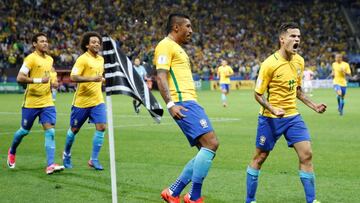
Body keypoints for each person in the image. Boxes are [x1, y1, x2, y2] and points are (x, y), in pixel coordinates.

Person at [245, 22, 326, 203]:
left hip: (292, 117)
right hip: (270, 118)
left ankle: (311, 200)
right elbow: (257, 95)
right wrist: (273, 108)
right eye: (293, 36)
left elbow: (297, 90)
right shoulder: (269, 64)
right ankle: (250, 200)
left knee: (307, 154)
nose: (297, 39)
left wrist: (313, 105)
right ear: (282, 39)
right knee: (260, 157)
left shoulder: (299, 61)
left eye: (298, 36)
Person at [155, 13, 219, 203]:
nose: (191, 31)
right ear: (176, 27)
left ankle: (173, 192)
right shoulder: (165, 45)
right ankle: (193, 196)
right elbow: (160, 76)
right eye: (188, 27)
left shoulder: (177, 48)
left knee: (205, 150)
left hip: (189, 101)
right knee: (211, 143)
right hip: (182, 103)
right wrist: (170, 104)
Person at [7, 32, 64, 175]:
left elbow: (50, 74)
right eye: (42, 41)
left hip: (47, 102)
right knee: (24, 131)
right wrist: (38, 81)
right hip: (31, 103)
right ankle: (12, 151)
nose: (45, 43)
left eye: (46, 41)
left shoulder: (50, 59)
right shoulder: (30, 59)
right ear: (34, 44)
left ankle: (50, 165)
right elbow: (20, 77)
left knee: (50, 131)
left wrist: (54, 81)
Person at [62, 31, 106, 170]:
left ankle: (94, 159)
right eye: (93, 42)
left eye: (98, 42)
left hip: (97, 100)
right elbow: (73, 77)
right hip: (81, 102)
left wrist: (102, 80)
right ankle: (66, 153)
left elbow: (99, 77)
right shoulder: (82, 59)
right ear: (87, 45)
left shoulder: (101, 59)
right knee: (74, 130)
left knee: (101, 127)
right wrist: (92, 78)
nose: (96, 44)